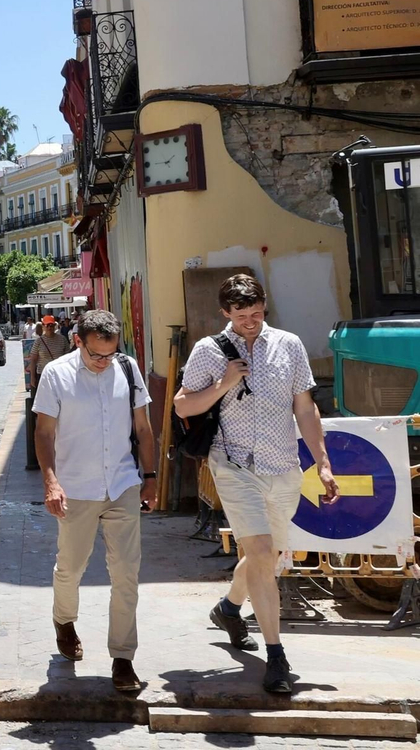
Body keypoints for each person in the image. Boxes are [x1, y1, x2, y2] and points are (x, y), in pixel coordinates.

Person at [173, 273, 337, 695]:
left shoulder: (289, 344)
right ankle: (276, 654)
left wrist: (322, 462)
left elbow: (304, 407)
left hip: (282, 465)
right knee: (262, 552)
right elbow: (182, 405)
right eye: (242, 315)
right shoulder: (208, 351)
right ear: (225, 313)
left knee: (268, 556)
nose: (251, 322)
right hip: (233, 464)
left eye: (258, 313)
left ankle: (229, 608)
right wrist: (224, 383)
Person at [33, 309, 157, 694]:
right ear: (78, 342)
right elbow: (44, 433)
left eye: (110, 354)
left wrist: (150, 478)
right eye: (95, 355)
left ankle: (123, 658)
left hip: (122, 484)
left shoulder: (128, 369)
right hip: (75, 490)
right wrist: (51, 481)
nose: (104, 363)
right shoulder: (57, 375)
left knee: (126, 574)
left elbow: (142, 427)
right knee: (71, 568)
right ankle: (64, 621)